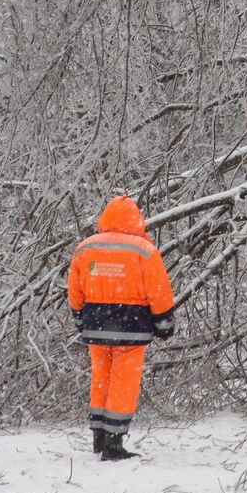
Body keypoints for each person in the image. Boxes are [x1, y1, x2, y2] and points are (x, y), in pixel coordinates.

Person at [67, 195, 176, 461]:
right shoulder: (144, 250)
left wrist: (79, 317)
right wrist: (164, 322)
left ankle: (99, 437)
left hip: (96, 323)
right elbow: (159, 290)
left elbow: (74, 288)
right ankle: (114, 444)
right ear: (136, 219)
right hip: (132, 326)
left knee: (100, 378)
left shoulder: (85, 248)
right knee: (123, 382)